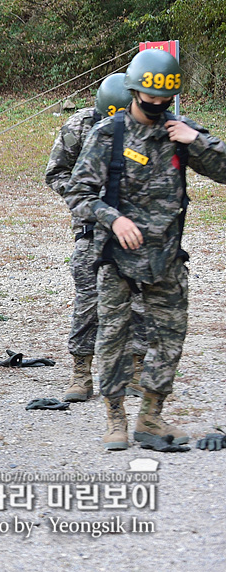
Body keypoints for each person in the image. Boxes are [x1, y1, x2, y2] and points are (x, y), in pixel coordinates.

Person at [66, 49, 226, 451]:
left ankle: (151, 417)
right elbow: (78, 193)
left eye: (164, 102)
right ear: (134, 92)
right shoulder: (108, 135)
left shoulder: (180, 131)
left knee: (170, 338)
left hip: (166, 257)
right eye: (148, 101)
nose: (156, 108)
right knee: (114, 340)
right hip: (118, 258)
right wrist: (112, 218)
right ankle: (115, 418)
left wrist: (199, 141)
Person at [46, 73, 151, 402]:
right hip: (91, 226)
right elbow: (56, 173)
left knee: (139, 296)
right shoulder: (79, 126)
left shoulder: (148, 125)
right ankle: (81, 372)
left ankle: (136, 369)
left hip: (134, 225)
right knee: (88, 299)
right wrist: (90, 196)